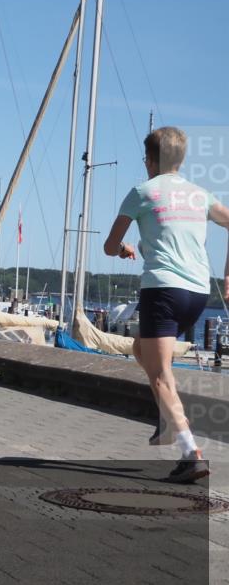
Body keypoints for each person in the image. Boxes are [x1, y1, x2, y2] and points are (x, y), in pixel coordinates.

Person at [104, 126, 229, 483]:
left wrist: (125, 249)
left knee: (158, 375)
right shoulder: (199, 194)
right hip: (197, 294)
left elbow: (110, 247)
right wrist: (227, 276)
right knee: (141, 349)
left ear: (150, 161)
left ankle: (191, 453)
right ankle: (170, 425)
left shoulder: (142, 192)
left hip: (162, 291)